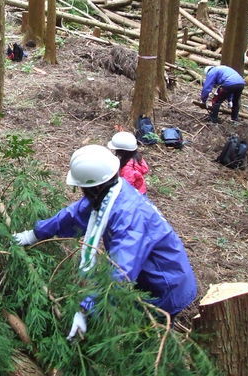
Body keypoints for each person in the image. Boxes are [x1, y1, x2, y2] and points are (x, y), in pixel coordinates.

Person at [12, 145, 197, 340]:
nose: (80, 191)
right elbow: (73, 215)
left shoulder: (129, 217)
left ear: (95, 186)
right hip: (147, 277)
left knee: (148, 334)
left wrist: (86, 310)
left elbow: (120, 270)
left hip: (166, 284)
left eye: (82, 187)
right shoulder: (110, 193)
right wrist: (35, 234)